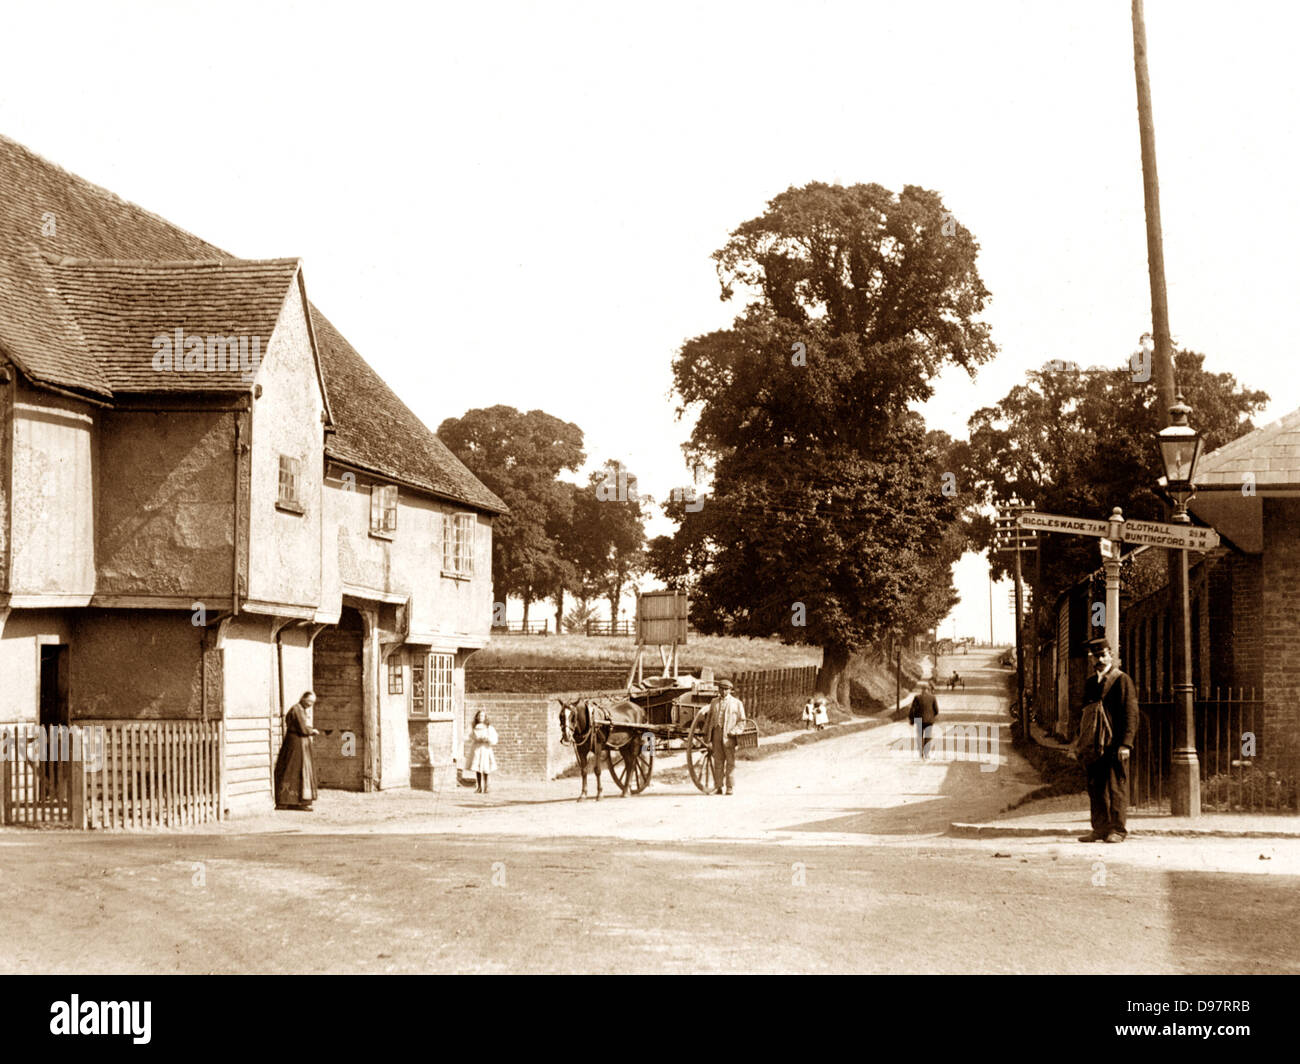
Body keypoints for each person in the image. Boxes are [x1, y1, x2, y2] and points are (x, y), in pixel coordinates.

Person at [1077, 637, 1139, 844]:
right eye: (1096, 657)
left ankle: (1118, 830)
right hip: (1094, 745)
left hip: (1115, 745)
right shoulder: (1090, 683)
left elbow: (1131, 714)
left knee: (1116, 788)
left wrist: (1126, 744)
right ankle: (1099, 829)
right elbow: (1085, 715)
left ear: (1111, 655)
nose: (1100, 660)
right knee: (1096, 788)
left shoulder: (1122, 680)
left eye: (1103, 655)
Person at [275, 691, 320, 810]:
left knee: (301, 770)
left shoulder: (302, 710)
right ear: (303, 698)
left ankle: (300, 801)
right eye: (309, 701)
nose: (310, 704)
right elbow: (302, 729)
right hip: (295, 743)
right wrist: (312, 731)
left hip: (301, 743)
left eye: (312, 702)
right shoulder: (296, 710)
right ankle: (286, 800)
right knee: (293, 769)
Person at [706, 678, 746, 795]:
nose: (723, 691)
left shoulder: (737, 703)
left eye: (726, 689)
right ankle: (718, 787)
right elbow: (709, 719)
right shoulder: (714, 702)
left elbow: (742, 721)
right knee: (718, 761)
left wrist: (735, 731)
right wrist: (707, 735)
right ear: (718, 689)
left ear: (730, 690)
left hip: (729, 736)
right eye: (721, 689)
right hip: (716, 734)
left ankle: (730, 787)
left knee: (730, 762)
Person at [468, 710, 498, 793]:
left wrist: (487, 739)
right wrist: (476, 738)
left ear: (485, 717)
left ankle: (486, 787)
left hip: (485, 748)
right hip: (477, 748)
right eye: (479, 716)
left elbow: (494, 738)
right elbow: (470, 736)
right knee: (477, 768)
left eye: (482, 716)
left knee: (485, 767)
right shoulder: (474, 727)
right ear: (477, 717)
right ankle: (479, 787)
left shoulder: (489, 728)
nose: (481, 717)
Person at [908, 682, 940, 760]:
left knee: (920, 736)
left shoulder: (917, 697)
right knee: (928, 737)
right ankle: (926, 753)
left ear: (922, 690)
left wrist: (911, 719)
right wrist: (932, 716)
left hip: (919, 720)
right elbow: (936, 710)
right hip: (929, 720)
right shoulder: (933, 697)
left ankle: (921, 753)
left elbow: (913, 709)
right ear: (928, 690)